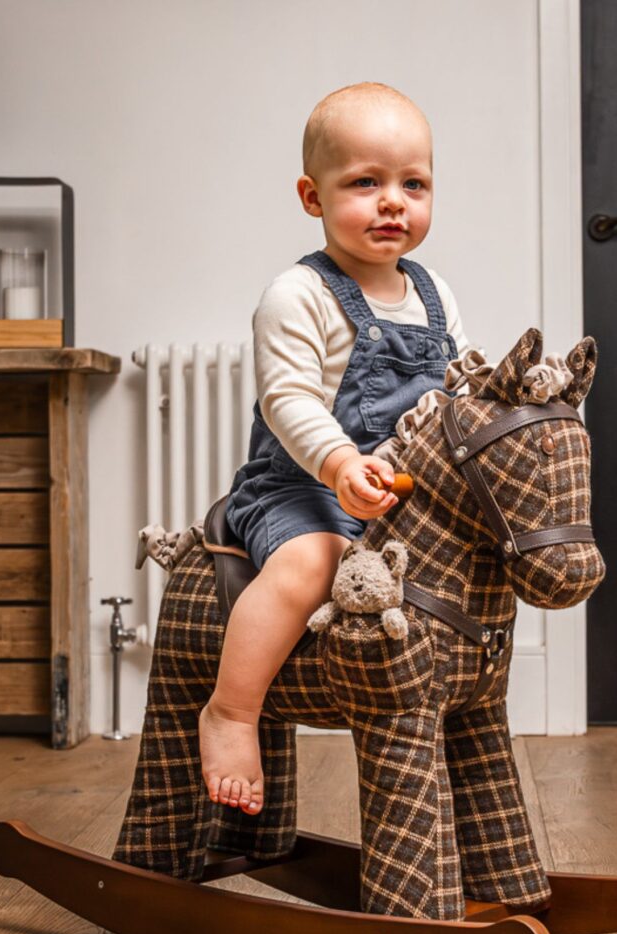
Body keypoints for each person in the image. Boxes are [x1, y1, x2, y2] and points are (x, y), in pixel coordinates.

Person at [198, 81, 472, 815]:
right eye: (365, 182)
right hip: (301, 486)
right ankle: (231, 710)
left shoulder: (435, 294)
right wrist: (341, 463)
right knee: (310, 560)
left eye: (412, 183)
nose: (393, 202)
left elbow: (460, 396)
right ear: (311, 196)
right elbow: (286, 398)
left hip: (400, 501)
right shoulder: (298, 294)